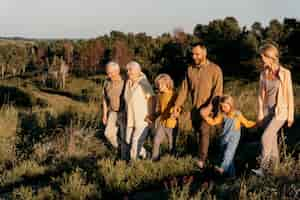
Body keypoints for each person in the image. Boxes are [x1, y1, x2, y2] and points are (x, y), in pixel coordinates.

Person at [173, 42, 223, 169]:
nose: (194, 57)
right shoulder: (190, 69)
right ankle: (205, 157)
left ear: (204, 53)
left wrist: (209, 108)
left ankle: (201, 160)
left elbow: (218, 92)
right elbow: (184, 90)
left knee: (204, 131)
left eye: (197, 54)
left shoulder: (215, 69)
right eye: (193, 54)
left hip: (209, 109)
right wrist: (177, 106)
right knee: (198, 134)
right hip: (195, 109)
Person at [252, 43, 294, 176]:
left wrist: (291, 115)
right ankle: (276, 171)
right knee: (273, 141)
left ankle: (263, 169)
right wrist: (260, 112)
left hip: (281, 112)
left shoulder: (285, 73)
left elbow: (289, 94)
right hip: (267, 111)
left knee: (265, 137)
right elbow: (260, 95)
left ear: (270, 57)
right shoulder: (263, 74)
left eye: (263, 57)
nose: (261, 60)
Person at [201, 95, 256, 177]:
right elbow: (214, 122)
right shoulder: (222, 115)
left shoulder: (237, 114)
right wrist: (206, 118)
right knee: (228, 156)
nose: (223, 108)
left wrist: (256, 124)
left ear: (230, 105)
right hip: (224, 138)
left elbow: (246, 123)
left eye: (225, 106)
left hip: (234, 138)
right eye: (221, 106)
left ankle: (223, 168)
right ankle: (232, 176)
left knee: (228, 153)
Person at [124, 61, 155, 160]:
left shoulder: (143, 82)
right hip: (130, 118)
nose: (128, 72)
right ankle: (146, 154)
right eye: (127, 70)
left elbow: (152, 99)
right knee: (128, 139)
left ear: (138, 71)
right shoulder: (128, 82)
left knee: (136, 140)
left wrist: (150, 115)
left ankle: (134, 163)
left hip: (143, 118)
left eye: (130, 70)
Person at [149, 74, 180, 161]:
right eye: (158, 84)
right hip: (162, 123)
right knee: (156, 140)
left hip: (172, 123)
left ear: (167, 84)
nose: (159, 86)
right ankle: (155, 159)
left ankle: (172, 160)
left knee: (171, 144)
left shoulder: (174, 95)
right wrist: (154, 116)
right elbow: (160, 110)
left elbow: (179, 107)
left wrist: (176, 112)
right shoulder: (160, 96)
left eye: (161, 84)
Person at [102, 61, 126, 158]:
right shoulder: (106, 82)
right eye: (107, 72)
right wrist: (104, 114)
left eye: (111, 73)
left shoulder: (125, 82)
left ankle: (143, 154)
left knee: (126, 137)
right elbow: (104, 99)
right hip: (112, 112)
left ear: (117, 71)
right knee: (108, 133)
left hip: (123, 112)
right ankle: (121, 149)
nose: (109, 75)